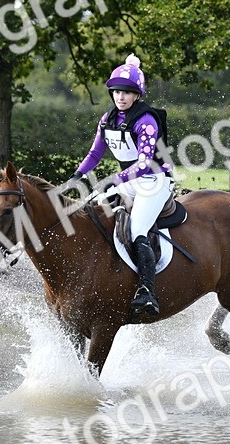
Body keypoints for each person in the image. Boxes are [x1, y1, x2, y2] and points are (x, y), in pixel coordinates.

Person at [71, 54, 174, 316]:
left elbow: (143, 164)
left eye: (128, 92)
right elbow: (95, 154)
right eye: (117, 91)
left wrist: (113, 181)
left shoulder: (146, 121)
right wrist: (77, 175)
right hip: (129, 181)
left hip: (152, 180)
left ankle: (147, 292)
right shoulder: (107, 120)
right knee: (90, 209)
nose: (121, 97)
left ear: (137, 95)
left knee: (138, 229)